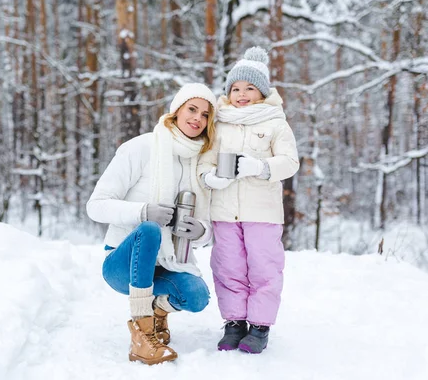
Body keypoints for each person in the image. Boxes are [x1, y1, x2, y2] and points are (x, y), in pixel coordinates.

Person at [87, 83, 217, 365]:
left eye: (205, 114)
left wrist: (202, 232)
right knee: (148, 229)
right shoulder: (142, 147)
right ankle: (142, 332)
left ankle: (159, 311)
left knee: (196, 297)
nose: (198, 118)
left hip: (167, 263)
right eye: (192, 109)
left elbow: (205, 223)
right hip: (123, 264)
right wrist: (143, 211)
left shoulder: (200, 161)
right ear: (177, 110)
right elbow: (95, 205)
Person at [198, 47, 299, 354]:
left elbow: (290, 161)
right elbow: (204, 162)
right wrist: (210, 177)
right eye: (235, 88)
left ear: (262, 92)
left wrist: (263, 167)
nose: (241, 94)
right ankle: (234, 322)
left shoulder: (275, 123)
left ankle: (259, 326)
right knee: (228, 267)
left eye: (249, 88)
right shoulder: (220, 123)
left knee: (264, 267)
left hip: (262, 212)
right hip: (225, 211)